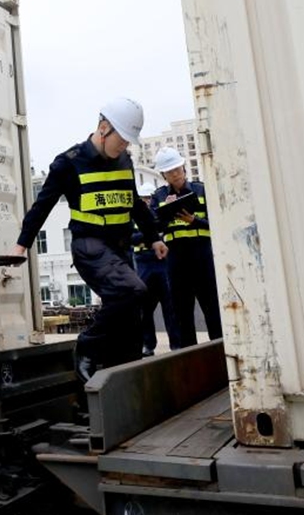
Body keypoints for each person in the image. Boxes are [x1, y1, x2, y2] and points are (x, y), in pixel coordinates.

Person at [12, 98, 167, 379]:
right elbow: (42, 206)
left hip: (121, 251)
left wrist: (154, 237)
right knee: (134, 291)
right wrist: (22, 244)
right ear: (104, 128)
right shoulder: (69, 163)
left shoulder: (124, 161)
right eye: (122, 140)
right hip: (90, 247)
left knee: (132, 317)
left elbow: (135, 203)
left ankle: (119, 379)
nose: (125, 146)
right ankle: (87, 345)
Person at [150, 147, 221, 347]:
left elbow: (218, 222)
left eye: (178, 169)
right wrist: (166, 212)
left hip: (203, 256)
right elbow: (153, 228)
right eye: (170, 171)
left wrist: (194, 221)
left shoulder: (201, 190)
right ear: (163, 175)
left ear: (184, 168)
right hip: (177, 261)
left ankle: (220, 351)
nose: (175, 174)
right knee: (181, 311)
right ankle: (189, 355)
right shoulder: (159, 197)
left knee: (212, 308)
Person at [133, 182, 178, 355]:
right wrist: (149, 238)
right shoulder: (134, 217)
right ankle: (149, 345)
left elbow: (164, 229)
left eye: (149, 197)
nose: (147, 201)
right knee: (145, 308)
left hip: (161, 262)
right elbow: (131, 237)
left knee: (170, 307)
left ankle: (176, 344)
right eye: (144, 198)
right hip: (143, 263)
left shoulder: (159, 215)